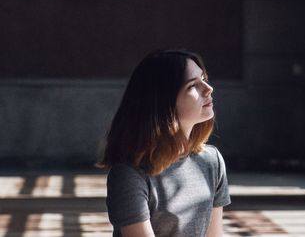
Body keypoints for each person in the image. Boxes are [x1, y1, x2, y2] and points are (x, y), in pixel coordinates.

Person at [97, 49, 231, 237]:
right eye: (193, 85)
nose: (209, 88)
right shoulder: (129, 175)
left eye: (204, 78)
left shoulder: (212, 161)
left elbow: (214, 235)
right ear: (164, 102)